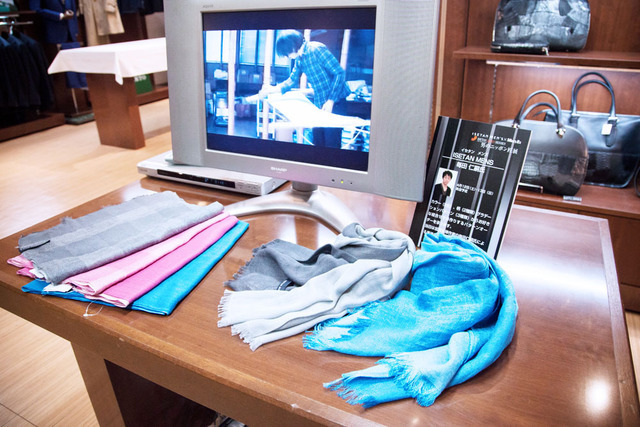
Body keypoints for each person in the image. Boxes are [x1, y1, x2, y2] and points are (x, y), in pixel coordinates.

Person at [261, 30, 350, 148]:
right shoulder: (300, 59)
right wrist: (272, 89)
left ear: (292, 46)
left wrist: (331, 101)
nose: (287, 56)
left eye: (286, 53)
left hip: (336, 102)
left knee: (331, 145)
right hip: (320, 104)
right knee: (318, 142)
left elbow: (339, 73)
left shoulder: (316, 49)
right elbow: (292, 80)